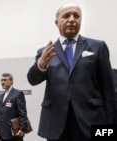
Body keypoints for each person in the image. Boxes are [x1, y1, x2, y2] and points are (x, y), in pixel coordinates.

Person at [27, 3, 116, 141]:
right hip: (56, 123)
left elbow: (109, 89)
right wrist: (41, 64)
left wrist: (109, 130)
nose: (72, 19)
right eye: (66, 16)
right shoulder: (46, 51)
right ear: (57, 22)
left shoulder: (98, 47)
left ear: (81, 20)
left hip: (92, 120)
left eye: (76, 16)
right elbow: (32, 80)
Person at [0, 73, 28, 141]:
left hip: (15, 133)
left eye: (5, 80)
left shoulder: (18, 94)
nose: (2, 82)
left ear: (11, 81)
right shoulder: (0, 97)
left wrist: (22, 129)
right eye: (1, 80)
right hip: (2, 133)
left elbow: (23, 113)